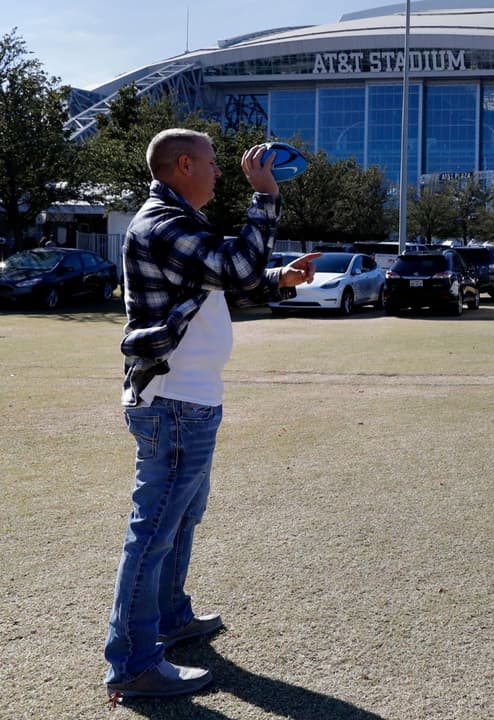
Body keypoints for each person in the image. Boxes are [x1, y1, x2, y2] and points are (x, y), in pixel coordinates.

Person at [104, 128, 318, 699]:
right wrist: (265, 195)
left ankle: (170, 619)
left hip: (190, 398)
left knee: (179, 520)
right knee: (155, 532)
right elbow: (233, 268)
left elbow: (223, 281)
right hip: (175, 400)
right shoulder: (163, 223)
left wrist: (279, 278)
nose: (221, 171)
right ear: (183, 165)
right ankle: (132, 665)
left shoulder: (180, 222)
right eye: (212, 162)